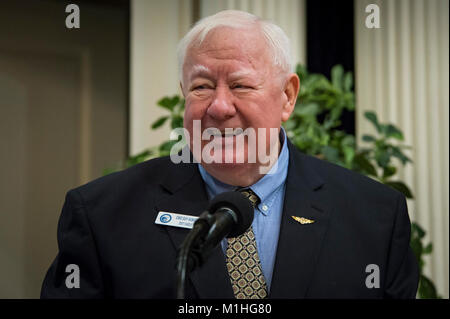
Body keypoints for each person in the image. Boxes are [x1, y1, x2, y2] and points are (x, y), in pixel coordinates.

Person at [41, 10, 419, 299]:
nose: (219, 107)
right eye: (202, 87)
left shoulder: (377, 217)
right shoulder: (101, 214)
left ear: (288, 96)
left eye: (240, 85)